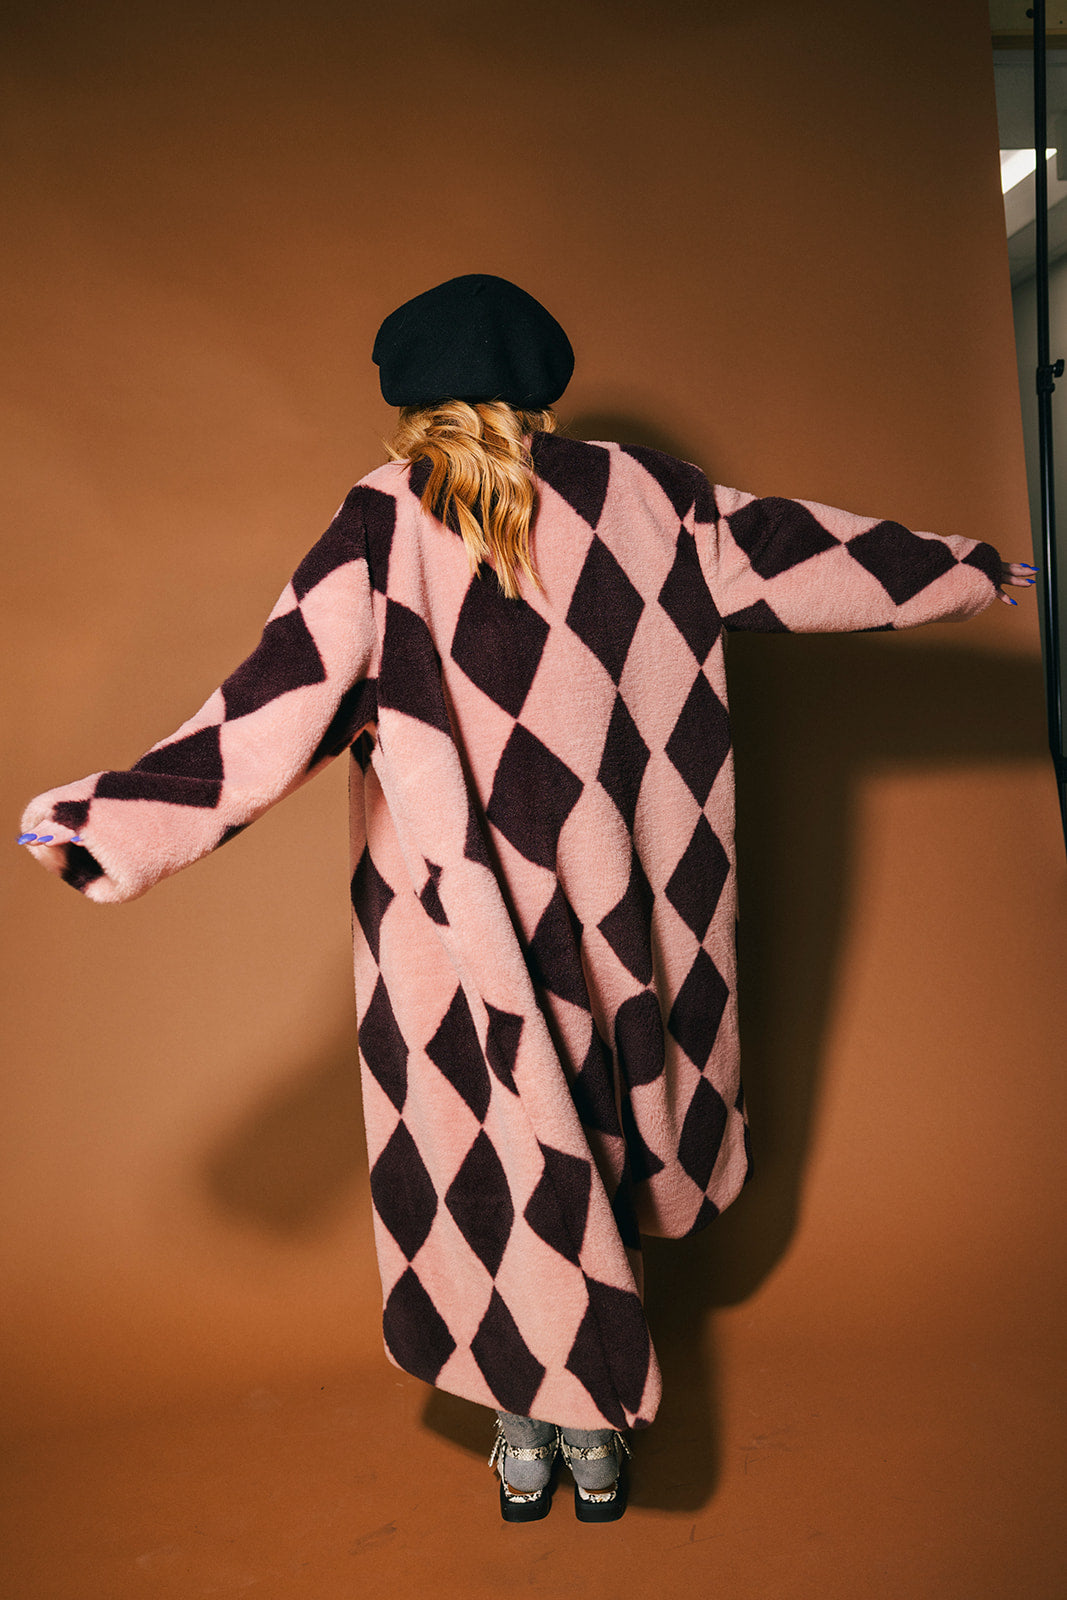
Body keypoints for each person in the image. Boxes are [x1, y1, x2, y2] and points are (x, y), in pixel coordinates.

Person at [18, 274, 1035, 1523]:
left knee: (491, 1157)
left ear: (409, 404)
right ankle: (592, 1433)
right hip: (621, 907)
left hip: (451, 925)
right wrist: (968, 569)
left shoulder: (382, 520)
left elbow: (270, 704)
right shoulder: (649, 497)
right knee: (596, 1135)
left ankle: (541, 1418)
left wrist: (102, 824)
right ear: (542, 392)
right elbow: (803, 556)